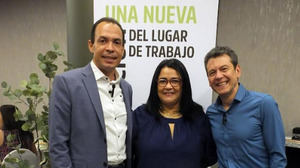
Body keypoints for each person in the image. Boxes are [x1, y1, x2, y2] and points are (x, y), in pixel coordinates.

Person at [49, 17, 133, 168]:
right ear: (91, 45)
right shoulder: (67, 84)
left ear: (123, 49)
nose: (110, 48)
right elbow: (58, 145)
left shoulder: (126, 88)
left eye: (116, 42)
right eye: (103, 41)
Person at [204, 46, 287, 168]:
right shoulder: (211, 112)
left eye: (224, 69)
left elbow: (278, 157)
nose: (218, 76)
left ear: (237, 71)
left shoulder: (264, 104)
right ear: (209, 79)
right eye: (212, 72)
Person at [133, 59, 217, 168]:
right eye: (163, 81)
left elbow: (207, 159)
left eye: (175, 81)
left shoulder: (198, 118)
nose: (168, 86)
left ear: (184, 85)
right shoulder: (140, 116)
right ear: (156, 84)